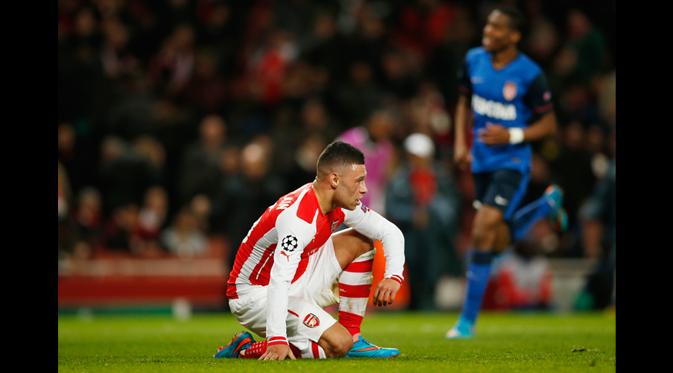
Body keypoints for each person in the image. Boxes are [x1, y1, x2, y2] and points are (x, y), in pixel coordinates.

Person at [215, 141, 405, 360]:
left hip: (298, 277)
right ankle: (246, 349)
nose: (364, 189)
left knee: (361, 241)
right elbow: (279, 279)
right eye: (359, 181)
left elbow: (390, 232)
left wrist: (393, 276)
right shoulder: (299, 218)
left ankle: (353, 339)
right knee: (336, 345)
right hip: (256, 295)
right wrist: (277, 339)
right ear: (335, 179)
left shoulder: (339, 204)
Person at [447, 6, 567, 339]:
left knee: (483, 228)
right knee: (495, 241)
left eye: (497, 27)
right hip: (481, 162)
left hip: (512, 163)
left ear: (514, 36)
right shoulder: (473, 60)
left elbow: (549, 123)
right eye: (488, 25)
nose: (489, 31)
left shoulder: (529, 74)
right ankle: (544, 207)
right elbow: (462, 102)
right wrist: (460, 143)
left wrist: (513, 135)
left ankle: (466, 323)